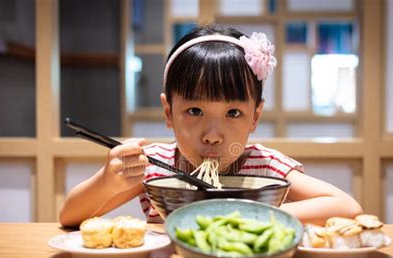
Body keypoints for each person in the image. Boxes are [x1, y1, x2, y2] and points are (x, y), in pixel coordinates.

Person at [59, 24, 363, 228]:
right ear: (168, 112)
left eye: (233, 113)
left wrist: (254, 215)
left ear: (255, 117)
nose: (213, 135)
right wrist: (108, 180)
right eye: (194, 110)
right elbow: (70, 216)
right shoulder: (158, 166)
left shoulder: (264, 166)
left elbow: (347, 207)